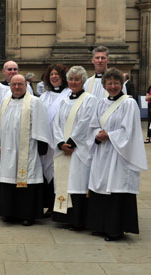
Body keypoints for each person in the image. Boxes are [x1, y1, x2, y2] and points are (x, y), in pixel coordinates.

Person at [86, 68, 147, 241]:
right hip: (102, 153)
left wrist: (109, 135)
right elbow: (93, 125)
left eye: (116, 83)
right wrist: (97, 134)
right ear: (104, 84)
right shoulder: (101, 103)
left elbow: (131, 131)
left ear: (121, 84)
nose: (113, 86)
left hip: (120, 154)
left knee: (116, 188)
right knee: (100, 187)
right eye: (109, 83)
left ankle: (115, 229)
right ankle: (100, 225)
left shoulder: (128, 103)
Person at [0, 74, 52, 226]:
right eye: (14, 84)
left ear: (26, 85)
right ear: (10, 85)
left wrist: (41, 150)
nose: (17, 87)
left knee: (27, 181)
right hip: (8, 150)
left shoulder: (34, 102)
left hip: (28, 151)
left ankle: (27, 215)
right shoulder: (5, 102)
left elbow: (42, 127)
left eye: (20, 84)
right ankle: (9, 213)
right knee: (9, 180)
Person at [51, 66, 98, 230]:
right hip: (64, 149)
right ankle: (65, 218)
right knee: (64, 182)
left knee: (77, 183)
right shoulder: (64, 100)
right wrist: (60, 143)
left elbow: (86, 123)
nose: (73, 82)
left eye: (77, 79)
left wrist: (71, 143)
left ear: (83, 81)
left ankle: (78, 220)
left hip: (79, 149)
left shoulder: (89, 100)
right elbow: (56, 124)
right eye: (71, 79)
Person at [39, 64, 71, 215]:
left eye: (57, 74)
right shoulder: (44, 96)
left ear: (63, 77)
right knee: (46, 172)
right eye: (51, 74)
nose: (54, 77)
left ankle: (58, 207)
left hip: (61, 141)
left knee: (59, 173)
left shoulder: (69, 94)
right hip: (46, 141)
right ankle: (48, 204)